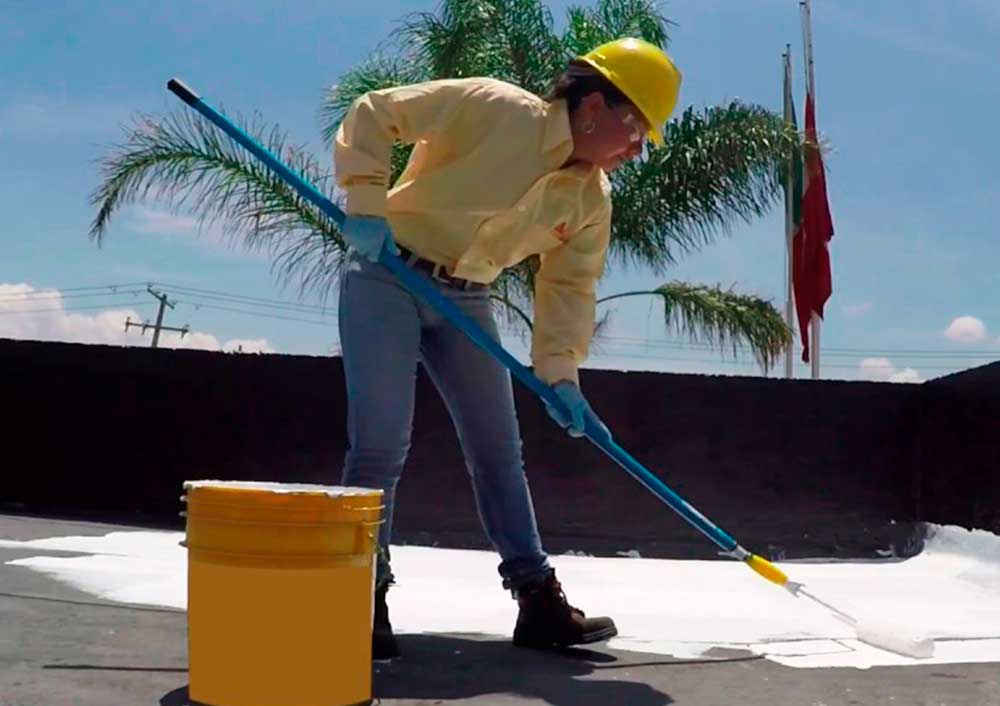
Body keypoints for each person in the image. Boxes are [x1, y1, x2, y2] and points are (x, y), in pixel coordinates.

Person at [334, 37, 681, 660]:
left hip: (464, 297)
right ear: (595, 105)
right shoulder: (492, 106)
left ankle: (537, 601)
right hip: (386, 272)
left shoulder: (591, 198)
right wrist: (365, 201)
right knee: (381, 445)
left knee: (499, 451)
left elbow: (569, 287)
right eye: (636, 130)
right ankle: (360, 596)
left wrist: (561, 376)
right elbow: (375, 111)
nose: (636, 148)